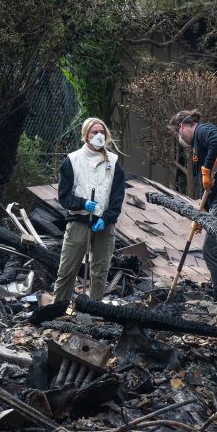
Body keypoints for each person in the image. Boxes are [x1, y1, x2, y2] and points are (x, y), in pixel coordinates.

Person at [169, 110, 217, 302]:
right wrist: (202, 215)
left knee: (212, 250)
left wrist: (207, 168)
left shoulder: (203, 130)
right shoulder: (197, 146)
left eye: (177, 134)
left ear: (182, 126)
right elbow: (205, 186)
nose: (180, 139)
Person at [52, 117, 125, 303]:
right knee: (68, 267)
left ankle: (95, 309)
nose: (99, 135)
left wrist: (107, 217)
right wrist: (82, 203)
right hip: (79, 221)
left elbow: (117, 197)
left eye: (102, 132)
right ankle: (59, 307)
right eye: (94, 132)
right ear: (85, 135)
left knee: (100, 269)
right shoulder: (72, 160)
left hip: (103, 224)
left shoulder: (114, 162)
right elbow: (64, 196)